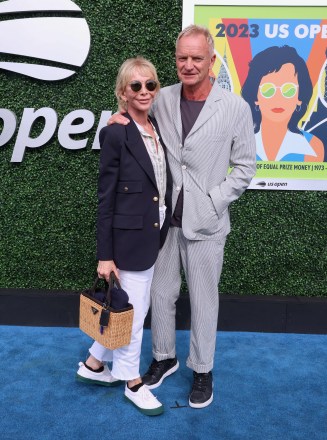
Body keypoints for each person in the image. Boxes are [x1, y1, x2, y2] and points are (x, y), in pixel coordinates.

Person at [109, 25, 256, 408]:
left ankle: (203, 369)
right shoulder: (161, 98)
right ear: (175, 60)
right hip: (163, 221)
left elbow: (244, 168)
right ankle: (164, 357)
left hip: (206, 221)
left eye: (196, 58)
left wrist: (214, 200)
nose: (188, 65)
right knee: (160, 293)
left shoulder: (235, 107)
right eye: (182, 58)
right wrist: (115, 118)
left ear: (211, 61)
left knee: (205, 299)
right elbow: (134, 114)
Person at [76, 56, 172, 416]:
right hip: (128, 238)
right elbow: (107, 197)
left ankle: (94, 364)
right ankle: (132, 382)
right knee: (133, 311)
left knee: (124, 308)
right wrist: (105, 255)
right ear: (123, 92)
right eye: (136, 86)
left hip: (153, 231)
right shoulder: (115, 131)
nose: (144, 91)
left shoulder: (157, 126)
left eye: (150, 84)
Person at [241, 45, 324, 162]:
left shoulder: (313, 147)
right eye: (268, 89)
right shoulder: (239, 142)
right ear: (256, 97)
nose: (278, 99)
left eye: (288, 90)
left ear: (299, 98)